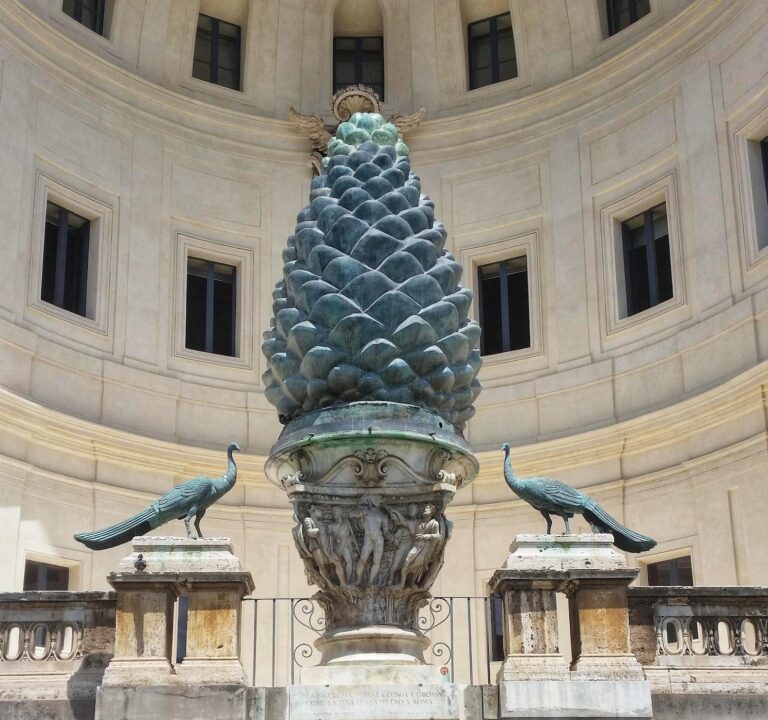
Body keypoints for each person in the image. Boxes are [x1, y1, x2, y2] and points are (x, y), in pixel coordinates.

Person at [399, 504, 442, 589]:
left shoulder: (434, 523)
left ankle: (411, 582)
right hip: (415, 546)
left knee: (420, 566)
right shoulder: (418, 522)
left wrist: (426, 536)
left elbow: (438, 536)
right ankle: (401, 583)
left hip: (425, 548)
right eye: (424, 509)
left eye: (427, 509)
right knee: (406, 563)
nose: (424, 510)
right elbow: (405, 522)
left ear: (432, 512)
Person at [353, 495, 390, 585]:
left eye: (379, 500)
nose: (378, 501)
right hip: (368, 539)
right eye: (376, 499)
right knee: (362, 560)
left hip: (379, 540)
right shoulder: (366, 512)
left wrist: (393, 538)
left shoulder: (383, 515)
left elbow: (386, 532)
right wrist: (360, 513)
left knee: (376, 562)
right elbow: (351, 514)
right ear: (371, 500)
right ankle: (358, 580)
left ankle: (370, 582)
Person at [326, 505, 357, 586]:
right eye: (333, 512)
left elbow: (351, 534)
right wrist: (334, 540)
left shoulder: (347, 523)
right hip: (337, 547)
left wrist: (351, 538)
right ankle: (341, 580)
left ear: (340, 513)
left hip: (346, 545)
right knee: (338, 564)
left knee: (349, 561)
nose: (334, 513)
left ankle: (348, 580)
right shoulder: (331, 525)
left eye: (336, 511)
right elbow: (329, 538)